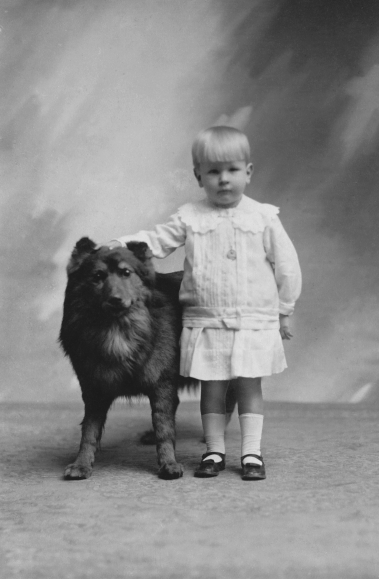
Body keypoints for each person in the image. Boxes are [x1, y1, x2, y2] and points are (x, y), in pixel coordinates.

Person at [103, 126, 302, 480]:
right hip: (207, 319)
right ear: (198, 176)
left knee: (248, 385)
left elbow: (287, 265)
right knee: (212, 386)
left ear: (248, 172)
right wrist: (119, 244)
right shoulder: (190, 217)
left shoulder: (263, 218)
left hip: (251, 320)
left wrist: (284, 309)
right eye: (213, 171)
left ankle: (252, 453)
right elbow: (156, 240)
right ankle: (214, 450)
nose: (224, 180)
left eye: (232, 170)